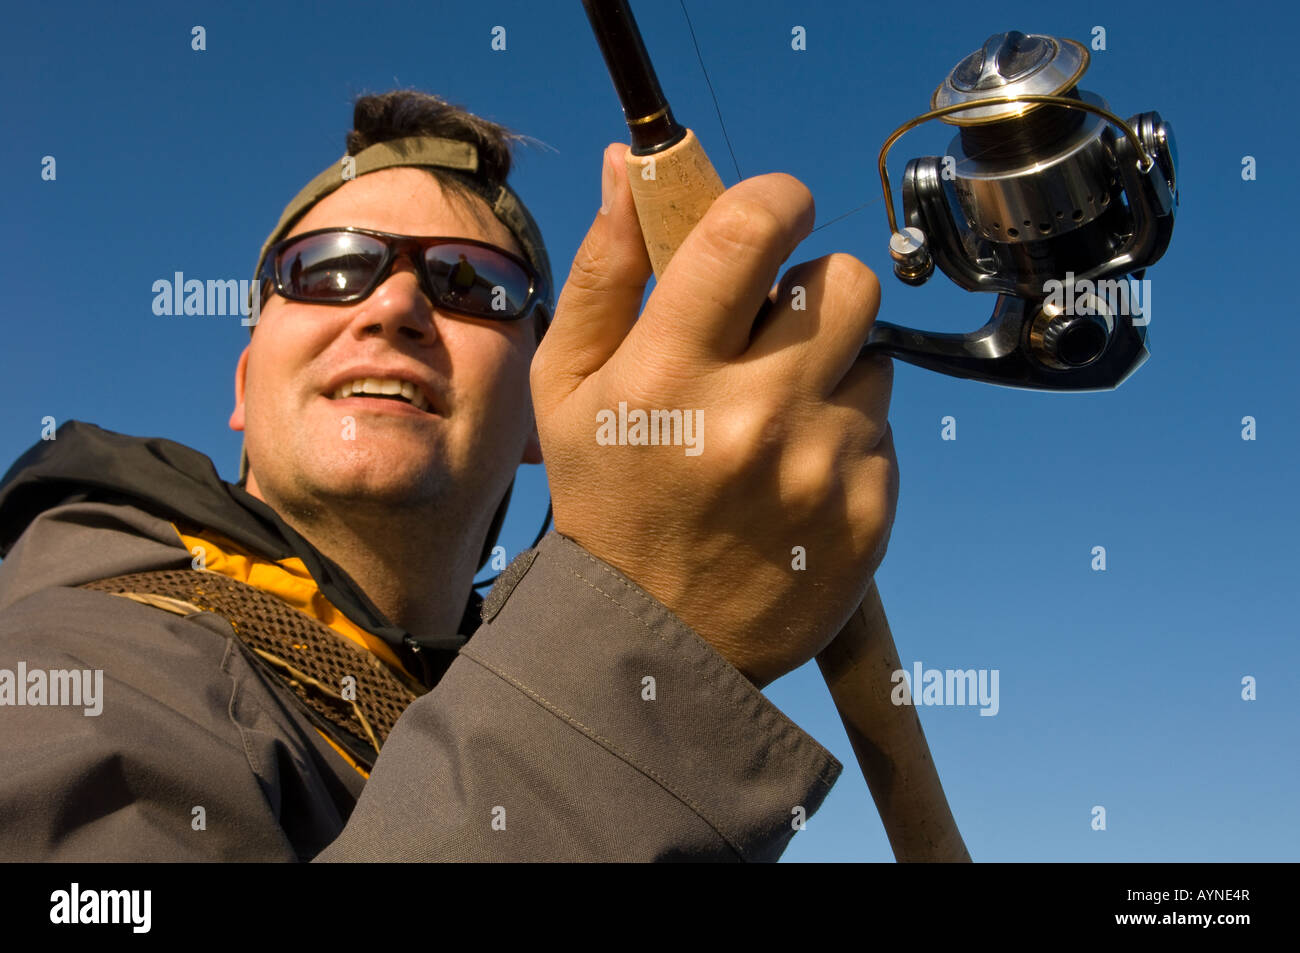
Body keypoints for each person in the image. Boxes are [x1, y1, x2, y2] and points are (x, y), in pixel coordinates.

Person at [0, 90, 898, 861]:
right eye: (326, 269)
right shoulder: (64, 667)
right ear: (242, 384)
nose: (395, 306)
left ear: (546, 406)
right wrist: (640, 639)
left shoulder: (472, 700)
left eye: (471, 283)